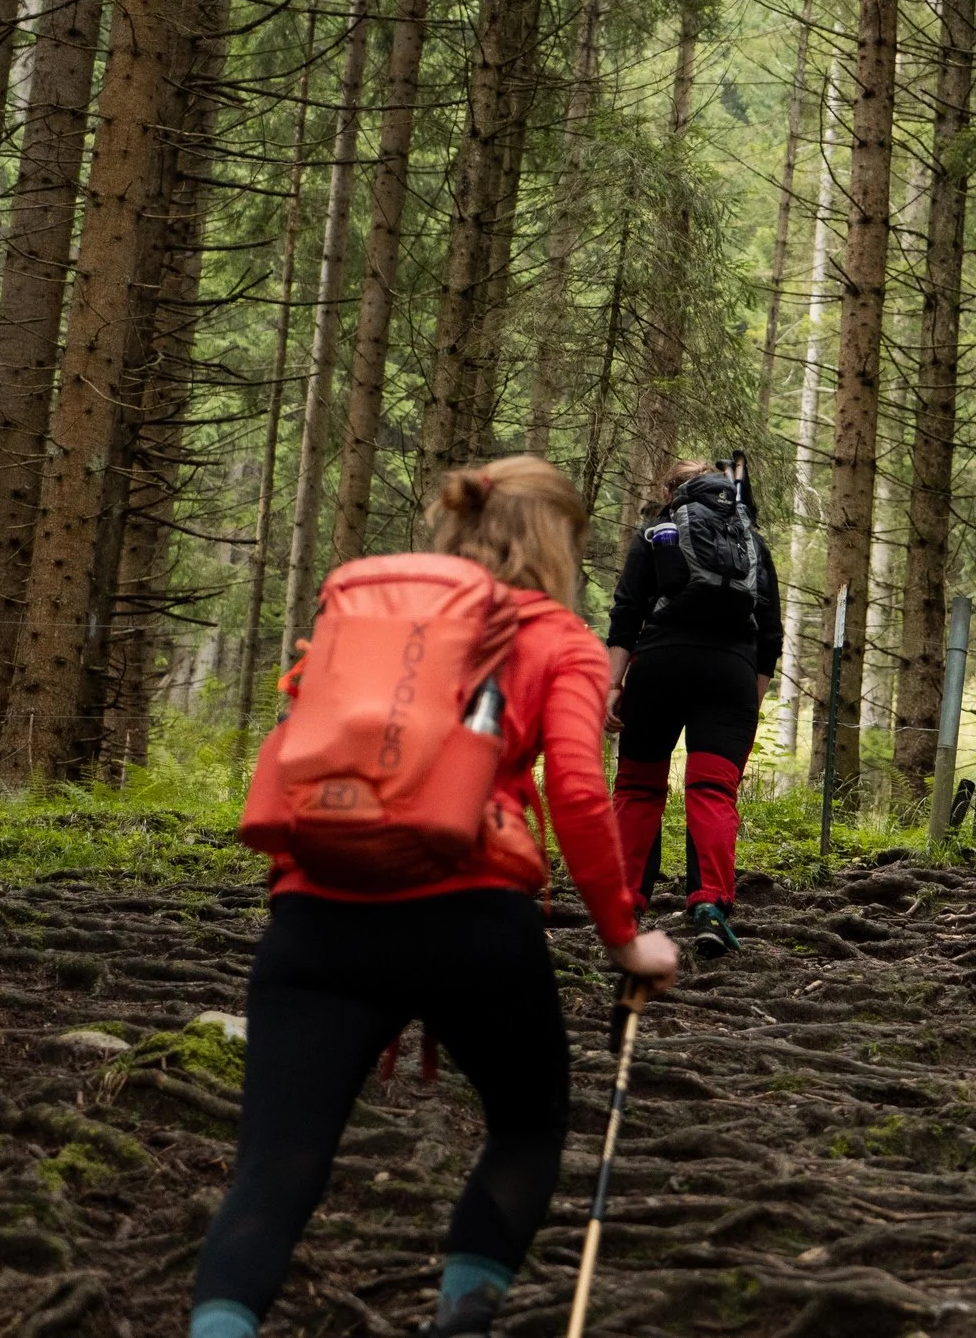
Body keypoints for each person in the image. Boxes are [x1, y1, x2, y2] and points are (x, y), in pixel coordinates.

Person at [190, 458, 680, 1338]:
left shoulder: (378, 622)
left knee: (272, 1168)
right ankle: (462, 1322)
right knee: (527, 1127)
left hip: (319, 911)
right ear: (554, 540)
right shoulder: (558, 638)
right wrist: (624, 937)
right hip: (472, 916)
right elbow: (574, 786)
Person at [606, 458, 783, 958]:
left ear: (671, 493)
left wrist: (612, 686)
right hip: (731, 673)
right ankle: (709, 906)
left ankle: (623, 905)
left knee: (638, 789)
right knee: (712, 792)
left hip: (658, 665)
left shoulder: (655, 532)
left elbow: (626, 613)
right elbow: (770, 634)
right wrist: (751, 698)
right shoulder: (751, 540)